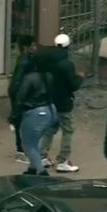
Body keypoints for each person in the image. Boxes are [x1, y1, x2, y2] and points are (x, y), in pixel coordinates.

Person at [38, 33, 83, 173]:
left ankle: (42, 157)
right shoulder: (67, 64)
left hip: (49, 100)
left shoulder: (45, 60)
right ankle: (63, 160)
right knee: (68, 130)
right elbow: (73, 85)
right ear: (67, 46)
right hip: (64, 103)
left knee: (49, 128)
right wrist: (80, 78)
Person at [10, 54, 58, 176]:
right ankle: (32, 169)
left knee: (28, 145)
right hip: (51, 111)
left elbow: (20, 98)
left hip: (35, 113)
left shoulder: (29, 78)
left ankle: (42, 172)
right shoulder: (50, 76)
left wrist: (14, 116)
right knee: (35, 142)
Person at [7, 35, 37, 164]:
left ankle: (23, 149)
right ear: (26, 47)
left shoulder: (25, 59)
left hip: (20, 94)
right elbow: (18, 81)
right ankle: (21, 150)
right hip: (20, 95)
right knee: (22, 122)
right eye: (33, 46)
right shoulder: (25, 62)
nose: (35, 48)